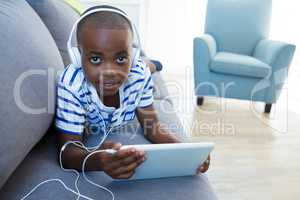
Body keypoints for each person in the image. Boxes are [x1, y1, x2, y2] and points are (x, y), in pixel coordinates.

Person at [55, 5, 210, 179]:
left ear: (132, 55)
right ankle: (150, 64)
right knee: (143, 68)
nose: (110, 72)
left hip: (139, 69)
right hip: (133, 69)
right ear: (77, 56)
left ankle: (151, 64)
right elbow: (67, 153)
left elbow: (153, 128)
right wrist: (97, 160)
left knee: (146, 68)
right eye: (95, 59)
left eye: (121, 58)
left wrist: (186, 151)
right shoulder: (71, 85)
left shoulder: (137, 74)